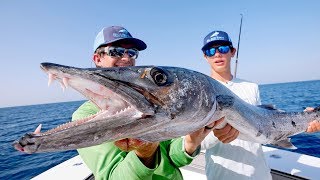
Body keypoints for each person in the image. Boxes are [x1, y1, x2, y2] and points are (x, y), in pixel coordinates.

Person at [72, 26, 214, 180]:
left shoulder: (152, 101)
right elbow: (113, 177)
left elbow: (172, 158)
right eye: (116, 51)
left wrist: (191, 142)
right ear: (97, 59)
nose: (127, 58)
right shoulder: (85, 115)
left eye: (132, 52)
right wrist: (144, 154)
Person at [200, 30, 320, 179]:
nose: (217, 54)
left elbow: (265, 127)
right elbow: (194, 146)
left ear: (232, 52)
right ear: (205, 56)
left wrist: (306, 123)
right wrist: (216, 134)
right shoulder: (202, 92)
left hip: (260, 174)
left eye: (223, 48)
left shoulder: (251, 86)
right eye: (211, 51)